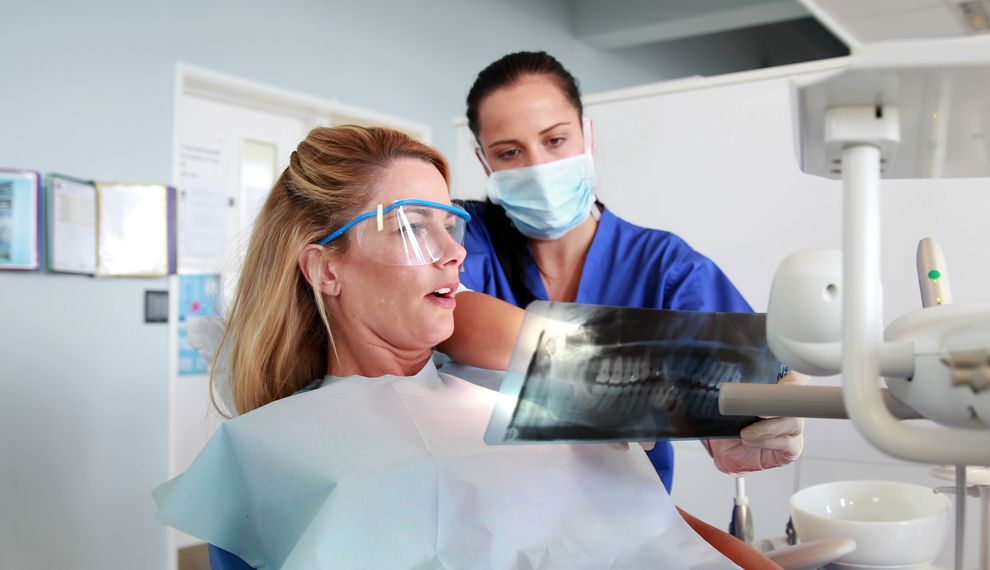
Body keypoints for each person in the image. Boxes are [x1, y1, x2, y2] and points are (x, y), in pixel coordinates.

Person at [153, 125, 778, 569]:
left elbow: (647, 523)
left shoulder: (517, 386)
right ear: (325, 269)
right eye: (412, 226)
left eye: (450, 224)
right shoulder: (267, 453)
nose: (454, 251)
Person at [444, 51, 805, 492]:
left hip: (625, 530)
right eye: (510, 152)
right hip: (489, 520)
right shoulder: (462, 237)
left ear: (587, 137)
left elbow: (737, 385)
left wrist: (750, 421)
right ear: (486, 164)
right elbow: (451, 318)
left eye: (555, 141)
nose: (537, 167)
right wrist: (616, 373)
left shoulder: (666, 268)